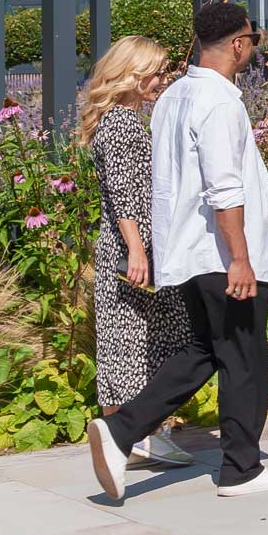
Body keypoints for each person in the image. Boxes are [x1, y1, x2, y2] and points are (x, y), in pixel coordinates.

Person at [86, 0, 268, 500]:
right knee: (245, 359)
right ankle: (241, 469)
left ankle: (120, 431)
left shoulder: (173, 97)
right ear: (239, 45)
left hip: (187, 255)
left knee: (202, 352)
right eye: (253, 40)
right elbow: (223, 187)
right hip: (222, 258)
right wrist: (241, 259)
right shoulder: (220, 101)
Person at [77, 35, 195, 471]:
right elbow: (124, 193)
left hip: (129, 248)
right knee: (140, 344)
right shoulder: (123, 124)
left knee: (129, 344)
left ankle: (130, 436)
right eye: (158, 72)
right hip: (134, 249)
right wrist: (137, 250)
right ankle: (134, 435)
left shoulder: (115, 120)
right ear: (133, 74)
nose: (163, 80)